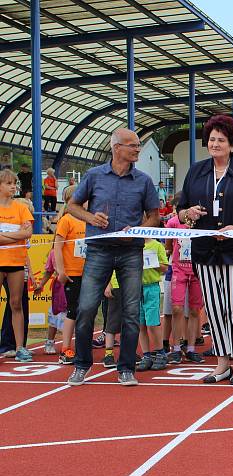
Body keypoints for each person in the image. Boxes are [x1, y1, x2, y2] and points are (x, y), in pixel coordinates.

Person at [65, 128, 160, 386]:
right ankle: (81, 365)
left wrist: (140, 229)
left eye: (139, 146)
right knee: (85, 308)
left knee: (131, 311)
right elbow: (72, 206)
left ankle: (126, 368)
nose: (138, 150)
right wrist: (91, 217)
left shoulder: (144, 181)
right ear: (116, 147)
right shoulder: (94, 176)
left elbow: (154, 215)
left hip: (131, 251)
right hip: (99, 249)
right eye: (133, 146)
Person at [177, 115, 233, 386]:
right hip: (204, 250)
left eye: (221, 140)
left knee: (232, 308)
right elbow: (180, 211)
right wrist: (187, 213)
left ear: (232, 144)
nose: (215, 144)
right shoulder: (196, 171)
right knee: (214, 309)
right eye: (212, 139)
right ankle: (222, 363)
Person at [165, 196, 205, 365]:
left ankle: (190, 348)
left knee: (195, 311)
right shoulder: (174, 222)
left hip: (196, 269)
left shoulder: (202, 223)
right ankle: (175, 348)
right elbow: (168, 244)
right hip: (179, 269)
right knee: (176, 308)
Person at [0, 169, 34, 361]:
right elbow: (21, 234)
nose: (13, 186)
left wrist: (5, 238)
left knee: (16, 303)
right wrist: (16, 236)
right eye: (8, 183)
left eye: (14, 183)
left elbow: (27, 234)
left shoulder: (21, 208)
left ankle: (20, 347)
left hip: (15, 262)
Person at [53, 185, 86, 365]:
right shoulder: (66, 220)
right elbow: (57, 246)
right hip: (72, 273)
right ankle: (66, 349)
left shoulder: (87, 220)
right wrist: (61, 271)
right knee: (73, 310)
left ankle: (81, 346)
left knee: (85, 310)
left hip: (87, 272)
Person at [135, 237, 169, 371]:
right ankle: (146, 355)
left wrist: (154, 263)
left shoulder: (157, 245)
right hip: (136, 288)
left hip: (152, 287)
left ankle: (160, 352)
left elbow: (165, 268)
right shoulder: (134, 244)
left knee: (153, 323)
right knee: (140, 324)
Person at [34, 246, 66, 355]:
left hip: (76, 284)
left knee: (75, 315)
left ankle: (71, 346)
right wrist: (41, 284)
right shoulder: (53, 252)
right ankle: (50, 342)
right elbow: (48, 271)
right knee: (56, 313)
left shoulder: (75, 249)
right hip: (60, 287)